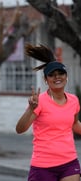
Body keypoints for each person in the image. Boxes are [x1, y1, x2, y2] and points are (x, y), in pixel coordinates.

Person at [16, 44, 81, 181]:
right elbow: (20, 129)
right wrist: (30, 110)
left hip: (69, 162)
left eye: (60, 73)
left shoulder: (74, 100)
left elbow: (74, 124)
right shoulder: (40, 101)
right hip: (43, 166)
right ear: (46, 80)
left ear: (66, 77)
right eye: (51, 75)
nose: (57, 77)